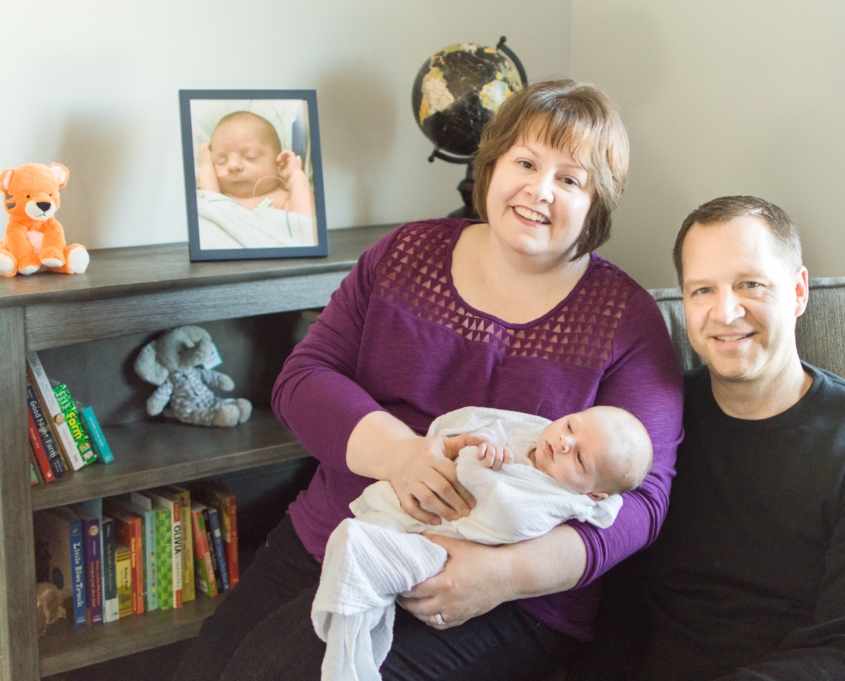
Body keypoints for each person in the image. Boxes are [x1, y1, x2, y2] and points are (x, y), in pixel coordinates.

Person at [172, 78, 684, 681]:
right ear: (491, 166)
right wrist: (403, 456)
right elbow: (304, 377)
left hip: (505, 595)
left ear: (596, 203)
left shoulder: (626, 320)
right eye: (525, 162)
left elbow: (643, 503)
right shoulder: (404, 255)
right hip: (344, 531)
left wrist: (502, 575)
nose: (538, 190)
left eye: (570, 179)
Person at [574, 195, 845, 681]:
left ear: (798, 291)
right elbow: (615, 613)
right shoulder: (655, 431)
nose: (725, 312)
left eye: (750, 284)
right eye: (702, 290)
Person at [313, 405, 653, 681]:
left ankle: (347, 667)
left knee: (356, 545)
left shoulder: (557, 499)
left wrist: (481, 461)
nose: (565, 442)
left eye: (579, 458)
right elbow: (477, 424)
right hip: (411, 525)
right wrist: (480, 441)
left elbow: (504, 512)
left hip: (442, 559)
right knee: (351, 545)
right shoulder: (531, 435)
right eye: (569, 426)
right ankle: (351, 649)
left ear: (593, 493)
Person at [198, 111, 314, 216]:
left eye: (250, 156)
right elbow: (208, 194)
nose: (233, 166)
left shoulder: (282, 198)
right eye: (220, 161)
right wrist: (206, 162)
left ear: (279, 164)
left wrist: (295, 176)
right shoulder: (220, 198)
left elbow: (305, 221)